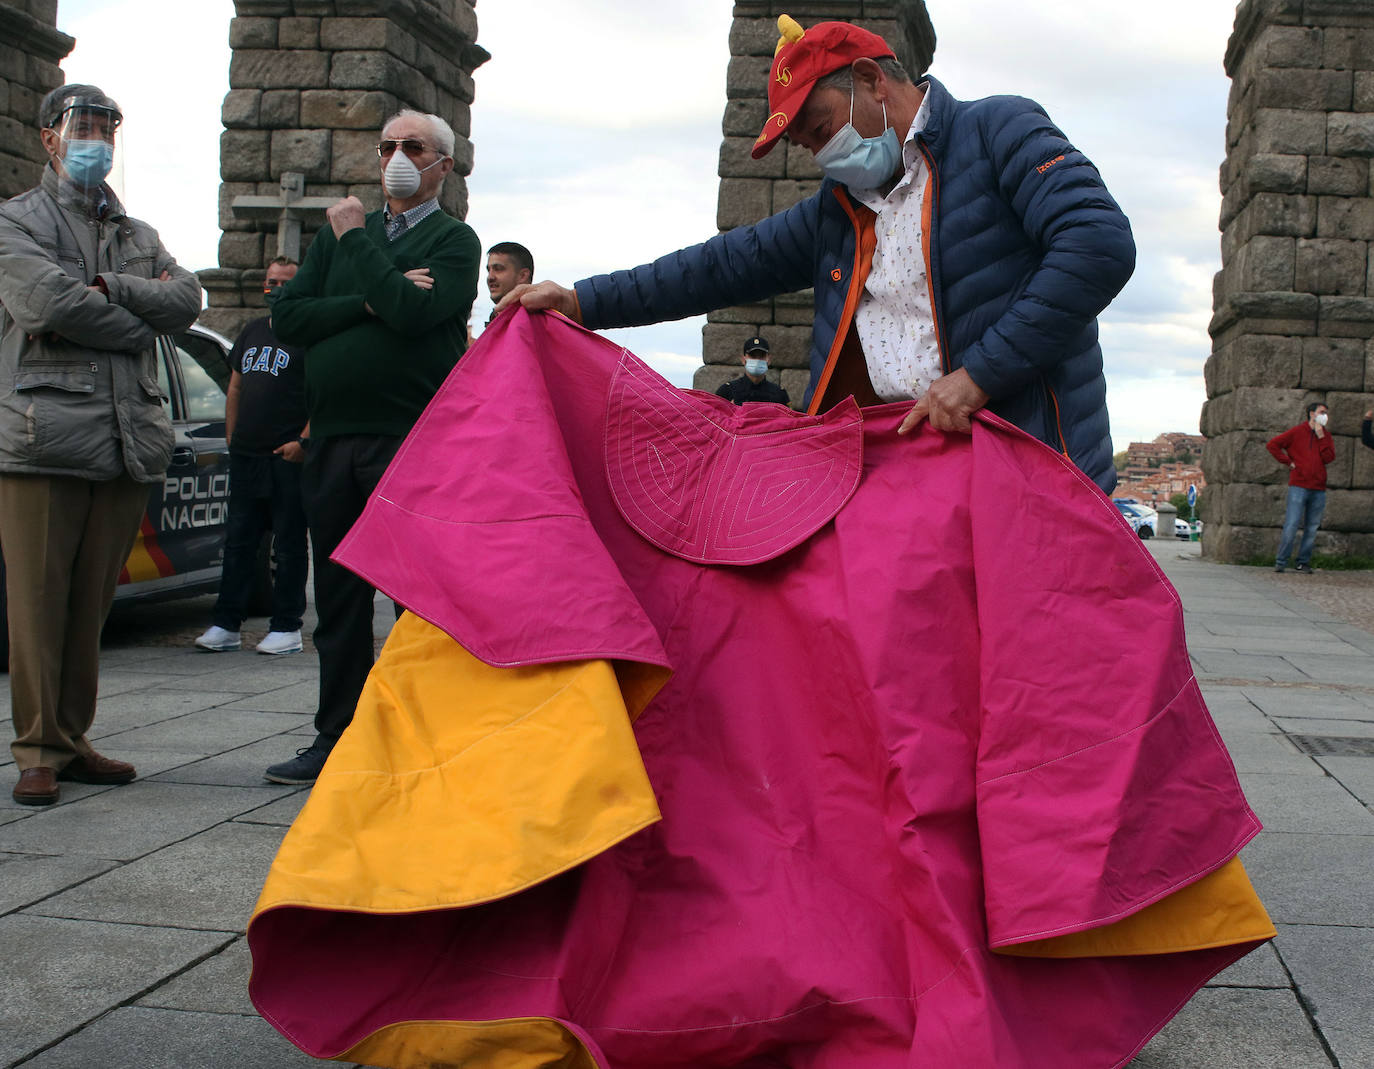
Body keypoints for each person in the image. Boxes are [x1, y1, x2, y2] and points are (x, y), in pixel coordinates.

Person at [499, 14, 1135, 492]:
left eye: (821, 128)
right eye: (805, 146)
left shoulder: (1001, 130)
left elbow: (1098, 243)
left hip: (1035, 464)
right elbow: (719, 266)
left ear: (869, 81)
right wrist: (583, 301)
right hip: (908, 470)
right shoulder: (839, 207)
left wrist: (980, 377)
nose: (820, 154)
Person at [261, 109, 480, 785]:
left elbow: (416, 313)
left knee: (416, 598)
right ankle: (338, 734)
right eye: (386, 145)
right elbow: (289, 316)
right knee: (338, 593)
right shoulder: (337, 241)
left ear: (443, 164)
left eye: (411, 147)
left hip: (408, 441)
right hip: (332, 440)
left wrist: (357, 245)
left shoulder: (453, 242)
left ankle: (419, 735)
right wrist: (366, 302)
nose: (395, 158)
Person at [0, 84, 202, 806]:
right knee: (37, 604)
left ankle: (72, 735)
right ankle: (37, 748)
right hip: (45, 439)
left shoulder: (137, 233)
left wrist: (107, 289)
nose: (96, 140)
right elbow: (42, 303)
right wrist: (139, 315)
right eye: (82, 126)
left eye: (106, 128)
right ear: (49, 137)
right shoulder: (15, 220)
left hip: (124, 440)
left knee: (90, 606)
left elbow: (188, 301)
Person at [194, 257, 309, 656]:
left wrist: (304, 441)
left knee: (289, 545)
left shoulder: (311, 333)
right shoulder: (253, 331)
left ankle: (287, 626)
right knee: (240, 542)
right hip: (247, 455)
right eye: (270, 281)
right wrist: (231, 436)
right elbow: (236, 387)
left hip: (287, 457)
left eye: (283, 283)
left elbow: (326, 393)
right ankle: (226, 623)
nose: (275, 288)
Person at [1267, 401, 1334, 574]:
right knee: (1292, 524)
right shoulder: (1297, 432)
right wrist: (1288, 462)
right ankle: (1281, 561)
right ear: (1312, 414)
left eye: (1326, 412)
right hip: (1299, 485)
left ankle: (1303, 561)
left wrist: (1321, 437)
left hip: (1318, 487)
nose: (1325, 415)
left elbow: (1329, 458)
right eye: (1322, 412)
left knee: (1312, 527)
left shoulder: (1325, 435)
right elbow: (1273, 445)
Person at [716, 335, 790, 406]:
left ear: (769, 360)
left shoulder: (779, 394)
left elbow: (789, 418)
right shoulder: (727, 391)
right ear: (743, 359)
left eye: (762, 356)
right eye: (753, 356)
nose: (757, 360)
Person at [484, 241, 533, 314]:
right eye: (489, 270)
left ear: (523, 276)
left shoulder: (537, 320)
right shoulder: (496, 319)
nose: (490, 277)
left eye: (498, 269)